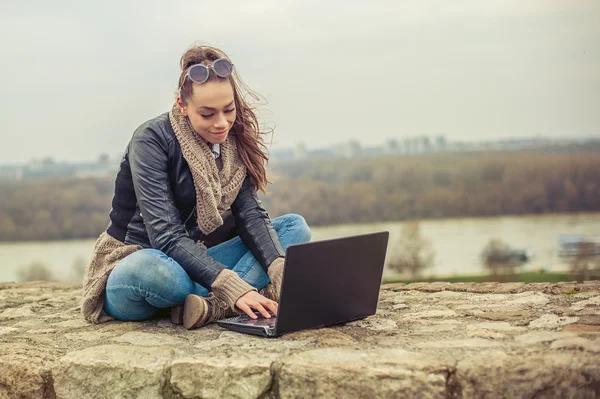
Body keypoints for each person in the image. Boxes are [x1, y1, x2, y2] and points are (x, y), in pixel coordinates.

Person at [81, 44, 311, 330]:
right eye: (207, 114)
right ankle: (232, 294)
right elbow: (166, 236)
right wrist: (234, 284)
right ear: (182, 105)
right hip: (139, 264)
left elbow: (250, 216)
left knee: (294, 229)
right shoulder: (150, 140)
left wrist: (279, 269)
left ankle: (210, 307)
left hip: (196, 261)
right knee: (159, 271)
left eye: (228, 110)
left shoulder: (231, 145)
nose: (221, 123)